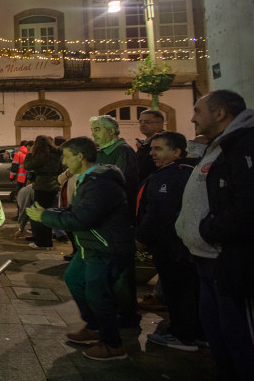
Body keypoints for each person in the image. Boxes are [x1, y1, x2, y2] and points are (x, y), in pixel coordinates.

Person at [175, 90, 254, 381]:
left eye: (198, 110)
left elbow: (247, 205)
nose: (192, 118)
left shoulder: (243, 145)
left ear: (220, 113)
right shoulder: (220, 144)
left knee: (239, 334)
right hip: (207, 258)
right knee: (218, 330)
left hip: (228, 258)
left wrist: (209, 229)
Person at [26, 136, 135, 361]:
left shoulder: (101, 182)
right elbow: (76, 210)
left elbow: (84, 218)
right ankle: (94, 326)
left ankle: (112, 344)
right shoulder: (89, 179)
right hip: (90, 246)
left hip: (105, 247)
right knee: (75, 279)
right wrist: (51, 213)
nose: (63, 162)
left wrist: (45, 216)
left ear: (80, 156)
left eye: (66, 156)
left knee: (97, 293)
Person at [134, 131, 199, 351]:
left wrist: (142, 238)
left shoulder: (173, 175)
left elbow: (160, 213)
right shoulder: (187, 171)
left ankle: (182, 335)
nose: (152, 153)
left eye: (158, 149)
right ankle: (194, 332)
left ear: (177, 152)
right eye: (151, 148)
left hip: (172, 245)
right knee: (186, 290)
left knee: (177, 290)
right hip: (182, 244)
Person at [89, 114, 140, 326]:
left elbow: (121, 183)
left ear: (111, 132)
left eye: (98, 129)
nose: (94, 134)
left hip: (114, 220)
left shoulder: (122, 151)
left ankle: (126, 315)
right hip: (100, 220)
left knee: (120, 270)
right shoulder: (102, 153)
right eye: (93, 130)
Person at [23, 135, 63, 250]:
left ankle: (42, 242)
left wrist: (30, 153)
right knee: (49, 213)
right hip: (55, 185)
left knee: (39, 213)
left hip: (42, 186)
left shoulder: (41, 155)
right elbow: (62, 168)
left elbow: (28, 165)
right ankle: (48, 241)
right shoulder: (57, 154)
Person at [135, 109, 165, 183]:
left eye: (147, 122)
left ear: (160, 124)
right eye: (140, 122)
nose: (142, 124)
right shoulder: (145, 143)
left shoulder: (165, 142)